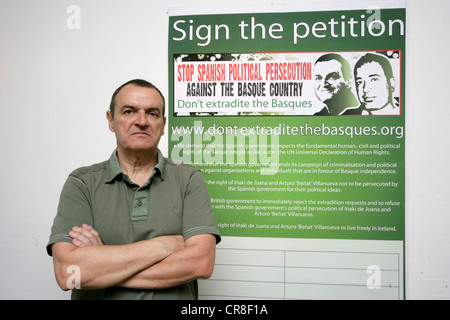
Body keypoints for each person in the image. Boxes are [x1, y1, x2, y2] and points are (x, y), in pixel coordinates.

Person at [47, 79, 221, 300]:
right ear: (111, 120)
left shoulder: (188, 179)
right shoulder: (82, 183)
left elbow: (201, 263)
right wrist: (164, 245)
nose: (141, 121)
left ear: (163, 124)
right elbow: (68, 274)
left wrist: (101, 263)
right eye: (129, 111)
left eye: (152, 113)